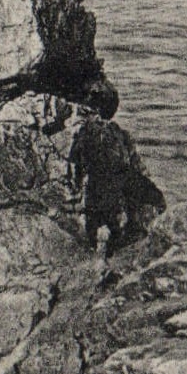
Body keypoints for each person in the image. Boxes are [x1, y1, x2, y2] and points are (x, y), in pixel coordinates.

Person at [67, 85, 165, 256]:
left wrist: (75, 187)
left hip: (99, 185)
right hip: (117, 182)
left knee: (97, 224)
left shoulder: (86, 133)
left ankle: (101, 252)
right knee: (118, 222)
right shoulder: (119, 133)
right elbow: (136, 165)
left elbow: (75, 162)